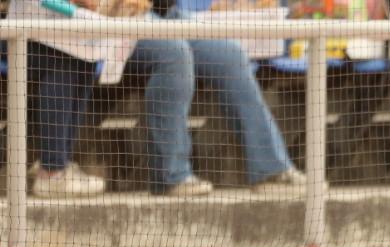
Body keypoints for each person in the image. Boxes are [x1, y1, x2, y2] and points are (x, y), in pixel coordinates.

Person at [26, 1, 303, 198]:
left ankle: (271, 169)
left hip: (164, 13)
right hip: (113, 15)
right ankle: (171, 176)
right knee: (174, 53)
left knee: (228, 54)